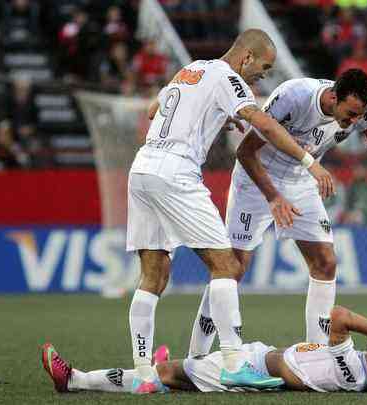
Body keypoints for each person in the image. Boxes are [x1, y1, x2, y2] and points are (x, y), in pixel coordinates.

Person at [125, 29, 334, 393]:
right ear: (246, 58)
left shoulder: (190, 69)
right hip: (176, 171)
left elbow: (153, 109)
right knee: (227, 265)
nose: (263, 75)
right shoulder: (228, 76)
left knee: (153, 276)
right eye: (264, 67)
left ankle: (144, 374)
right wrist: (308, 161)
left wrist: (217, 116)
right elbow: (265, 123)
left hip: (142, 168)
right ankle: (234, 363)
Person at [188, 68, 367, 360]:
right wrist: (274, 198)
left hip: (301, 180)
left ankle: (316, 355)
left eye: (360, 115)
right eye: (351, 113)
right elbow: (245, 153)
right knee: (232, 269)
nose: (355, 121)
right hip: (256, 180)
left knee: (326, 261)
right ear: (334, 96)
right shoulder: (293, 96)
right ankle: (196, 356)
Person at [41, 305, 367, 394]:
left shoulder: (353, 371)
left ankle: (73, 379)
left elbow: (339, 314)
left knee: (160, 375)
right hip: (255, 357)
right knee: (171, 375)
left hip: (252, 373)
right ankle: (175, 369)